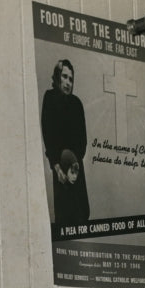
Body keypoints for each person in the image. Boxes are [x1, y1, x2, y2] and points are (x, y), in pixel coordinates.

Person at [41, 59, 90, 225]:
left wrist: (74, 167)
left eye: (71, 79)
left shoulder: (77, 104)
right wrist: (57, 166)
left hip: (76, 168)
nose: (68, 82)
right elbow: (48, 135)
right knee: (64, 219)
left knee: (81, 216)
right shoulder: (49, 98)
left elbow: (83, 141)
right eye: (64, 77)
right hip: (60, 168)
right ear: (57, 77)